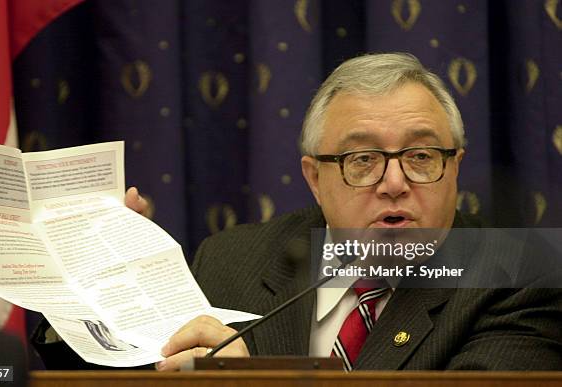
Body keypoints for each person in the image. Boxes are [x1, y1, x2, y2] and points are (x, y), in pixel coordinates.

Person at [37, 53, 562, 370]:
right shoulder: (230, 262)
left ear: (455, 167)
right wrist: (95, 289)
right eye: (362, 160)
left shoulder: (521, 280)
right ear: (315, 178)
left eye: (422, 157)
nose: (396, 182)